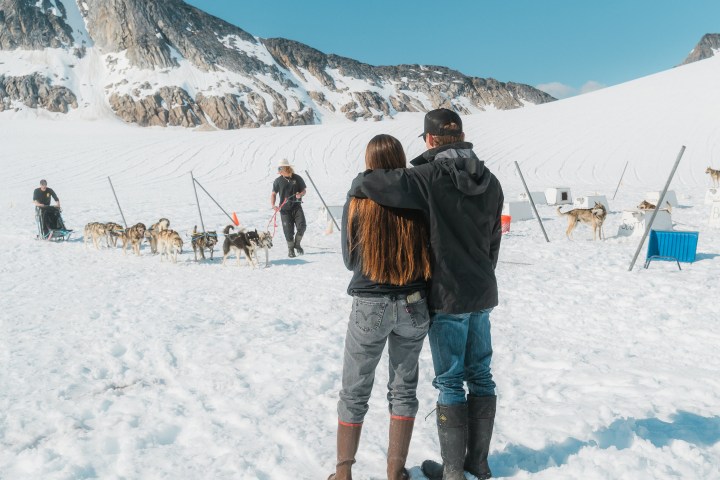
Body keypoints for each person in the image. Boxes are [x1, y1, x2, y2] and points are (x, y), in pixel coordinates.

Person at [349, 109, 504, 480]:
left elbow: (378, 183)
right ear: (462, 135)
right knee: (481, 374)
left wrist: (358, 181)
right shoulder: (492, 180)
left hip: (447, 294)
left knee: (450, 379)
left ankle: (452, 471)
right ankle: (478, 463)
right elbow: (493, 239)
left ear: (430, 140)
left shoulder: (428, 176)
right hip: (481, 290)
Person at [329, 134, 432, 480]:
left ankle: (343, 472)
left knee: (354, 389)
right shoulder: (421, 194)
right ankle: (395, 472)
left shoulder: (358, 199)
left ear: (369, 160)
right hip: (414, 303)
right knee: (403, 389)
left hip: (369, 303)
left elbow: (349, 259)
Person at [270, 159, 307, 258]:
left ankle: (297, 244)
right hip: (284, 210)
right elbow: (273, 194)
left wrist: (301, 194)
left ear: (286, 168)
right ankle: (291, 249)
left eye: (280, 168)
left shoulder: (297, 178)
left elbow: (303, 190)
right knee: (288, 230)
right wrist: (273, 205)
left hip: (297, 207)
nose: (279, 170)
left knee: (302, 226)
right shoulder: (278, 181)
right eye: (278, 168)